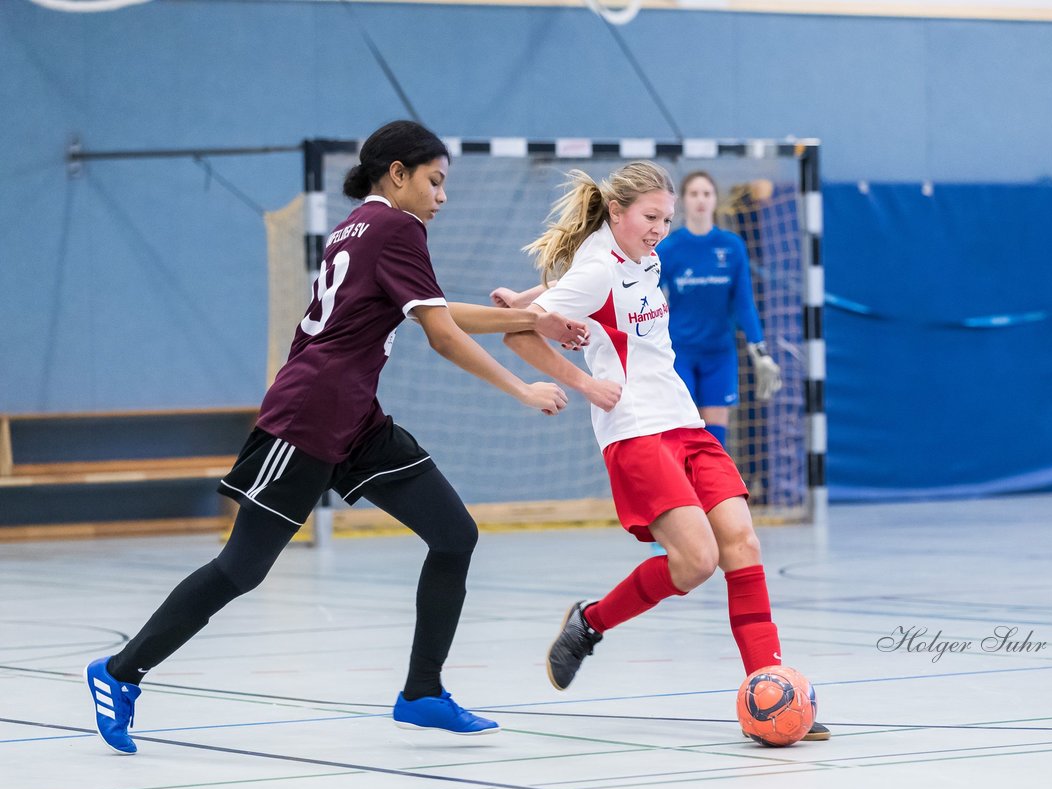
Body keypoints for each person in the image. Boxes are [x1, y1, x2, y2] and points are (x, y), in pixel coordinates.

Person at [85, 120, 588, 754]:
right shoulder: (397, 228)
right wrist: (522, 388)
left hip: (356, 419)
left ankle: (422, 693)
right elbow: (440, 335)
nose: (442, 196)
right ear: (397, 173)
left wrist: (530, 319)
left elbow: (435, 311)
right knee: (241, 570)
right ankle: (118, 672)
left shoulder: (361, 227)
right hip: (308, 417)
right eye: (434, 181)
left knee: (455, 534)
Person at [501, 161, 828, 741]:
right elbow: (517, 333)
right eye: (651, 217)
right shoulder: (599, 268)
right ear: (619, 212)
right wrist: (584, 383)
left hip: (684, 419)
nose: (660, 228)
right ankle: (591, 622)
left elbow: (557, 293)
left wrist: (527, 294)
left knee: (743, 541)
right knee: (697, 562)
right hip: (634, 430)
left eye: (666, 219)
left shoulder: (643, 258)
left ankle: (767, 687)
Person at [656, 171, 781, 448]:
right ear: (682, 201)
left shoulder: (732, 246)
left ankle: (712, 493)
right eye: (694, 194)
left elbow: (744, 302)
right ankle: (682, 492)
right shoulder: (669, 248)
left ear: (715, 200)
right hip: (680, 353)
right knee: (682, 430)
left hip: (719, 354)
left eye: (706, 193)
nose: (700, 200)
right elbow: (647, 294)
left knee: (714, 438)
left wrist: (759, 350)